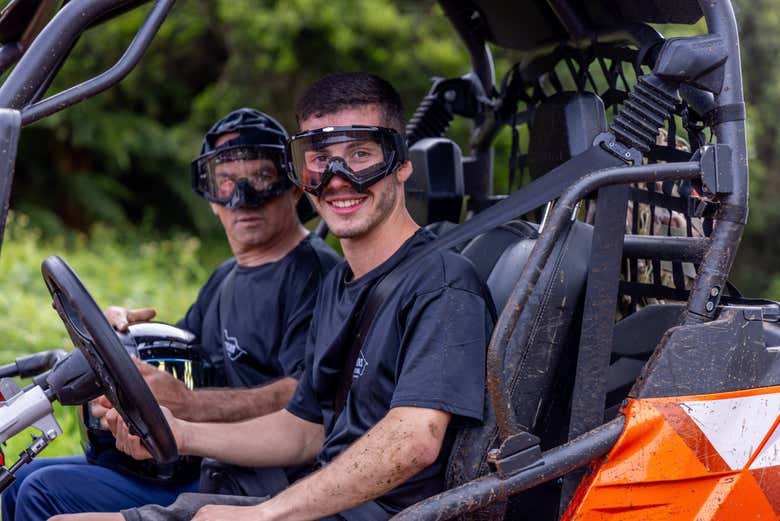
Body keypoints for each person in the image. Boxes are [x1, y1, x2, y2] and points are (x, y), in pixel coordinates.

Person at [61, 71, 494, 521]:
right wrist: (181, 434)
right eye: (320, 159)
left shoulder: (441, 282)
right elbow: (303, 431)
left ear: (401, 163)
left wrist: (267, 514)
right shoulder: (339, 284)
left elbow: (414, 440)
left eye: (360, 154)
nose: (338, 179)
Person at [2, 108, 339, 521]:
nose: (241, 197)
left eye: (261, 178)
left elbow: (303, 393)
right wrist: (125, 339)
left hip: (253, 482)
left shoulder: (313, 274)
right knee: (18, 479)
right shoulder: (226, 278)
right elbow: (183, 357)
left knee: (41, 492)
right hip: (198, 462)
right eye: (226, 181)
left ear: (295, 188)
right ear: (209, 197)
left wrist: (193, 405)